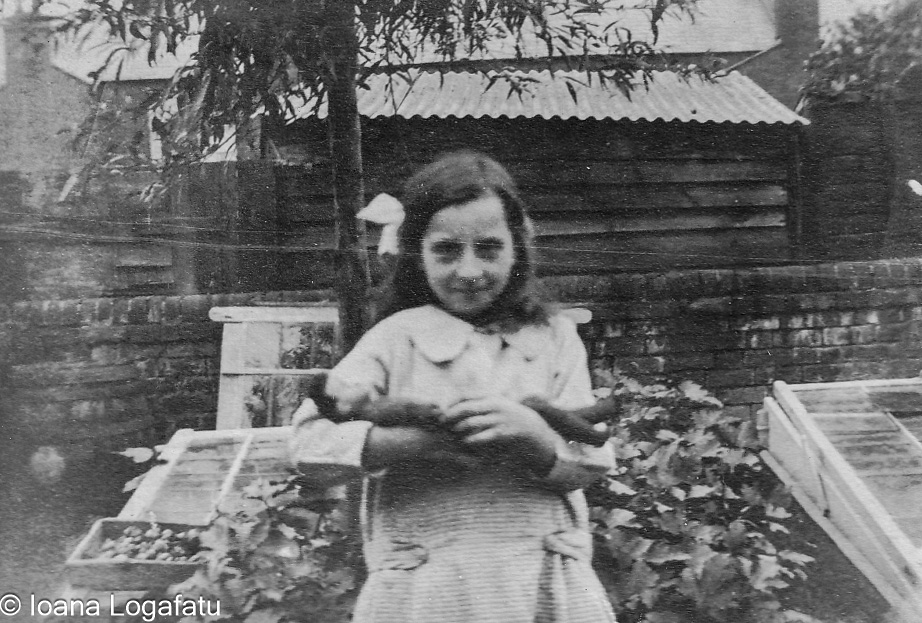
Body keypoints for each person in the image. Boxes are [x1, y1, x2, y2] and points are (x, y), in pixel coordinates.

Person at [290, 150, 616, 623]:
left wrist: (534, 435)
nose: (468, 271)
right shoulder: (394, 339)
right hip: (427, 594)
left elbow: (591, 463)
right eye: (446, 250)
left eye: (488, 248)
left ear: (517, 248)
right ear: (416, 252)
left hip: (539, 588)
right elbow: (308, 447)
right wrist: (410, 441)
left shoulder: (553, 339)